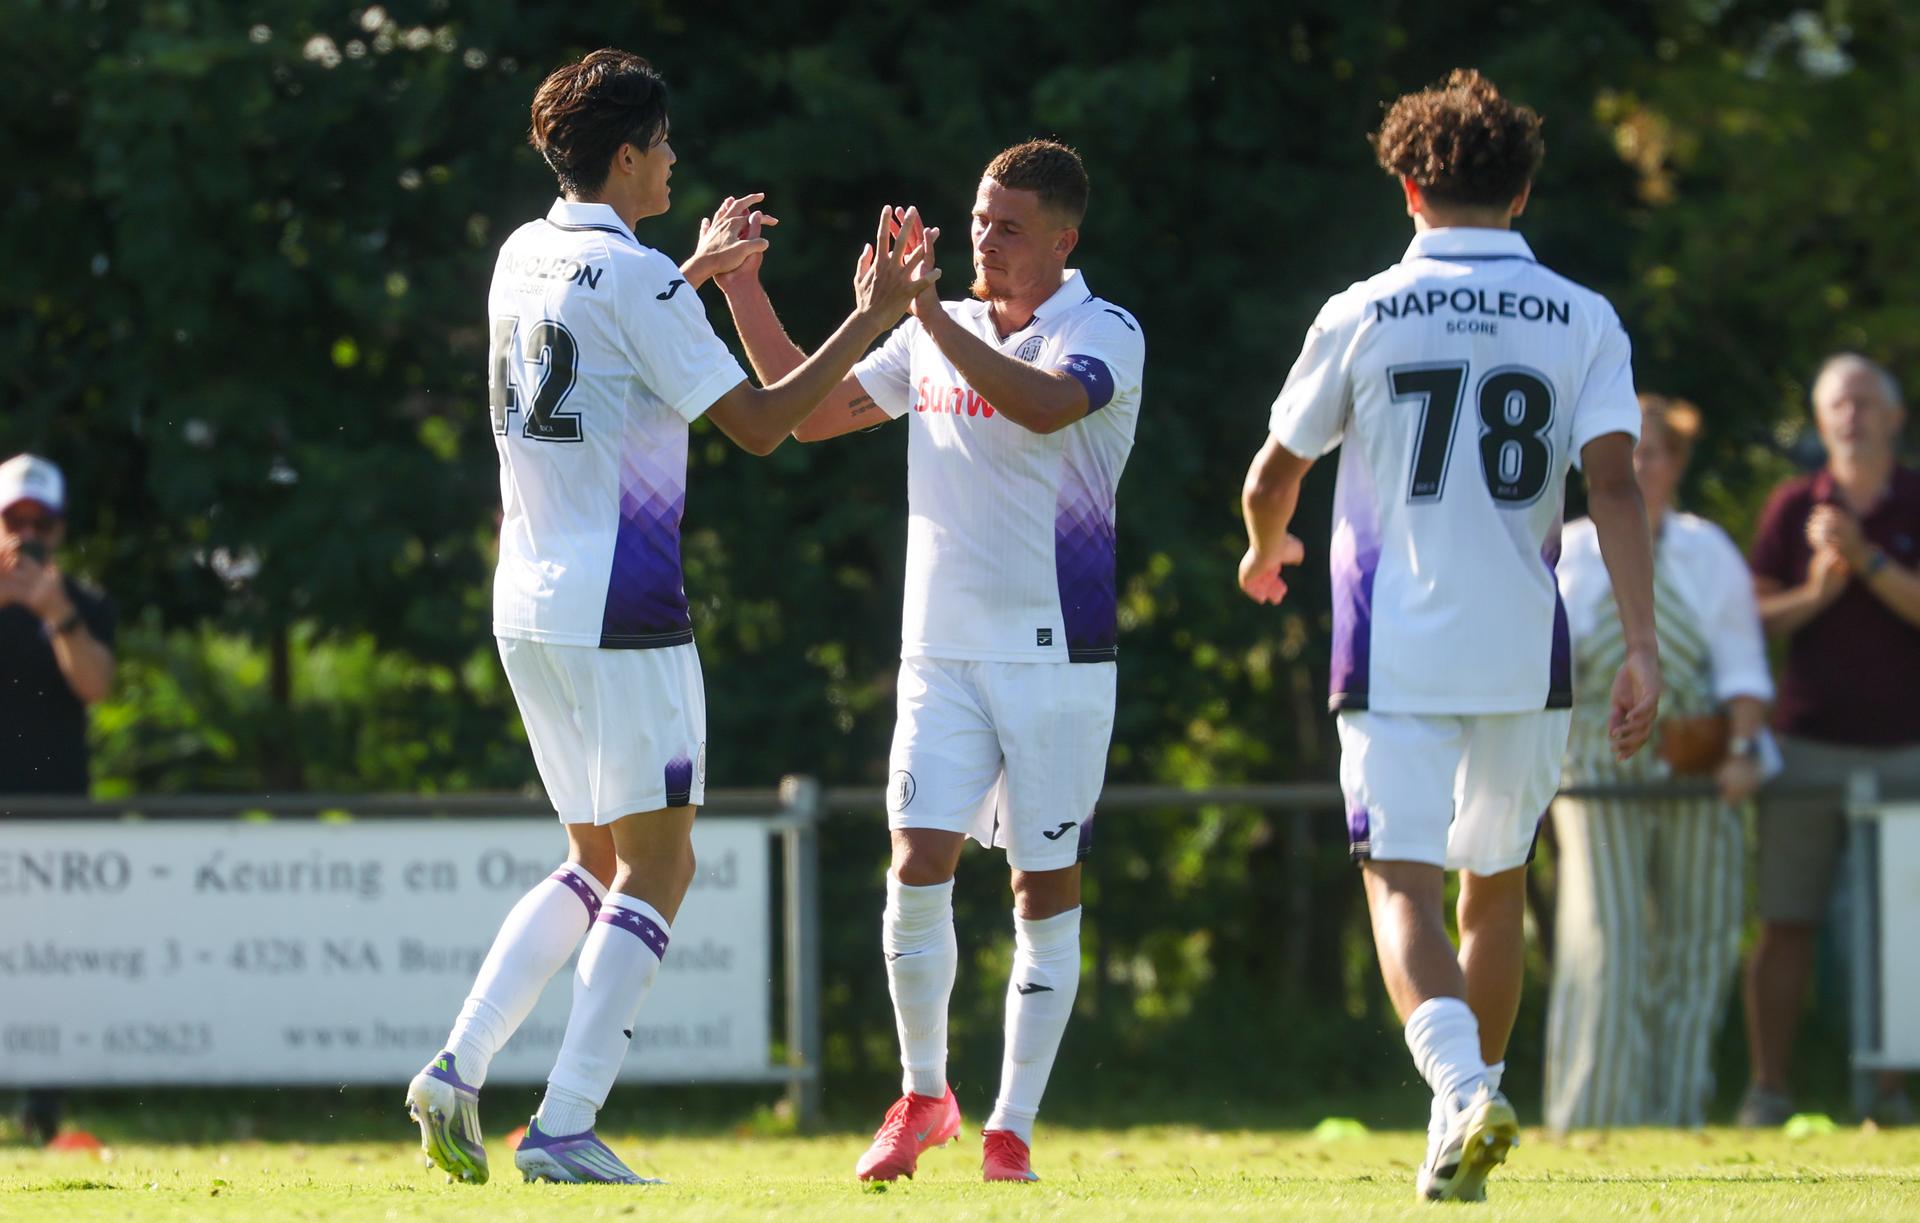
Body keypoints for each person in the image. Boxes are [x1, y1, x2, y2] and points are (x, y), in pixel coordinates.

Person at [404, 48, 934, 1186]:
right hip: (622, 603)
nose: (677, 161)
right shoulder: (639, 279)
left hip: (528, 602)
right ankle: (562, 1122)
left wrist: (691, 270)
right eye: (665, 146)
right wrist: (869, 316)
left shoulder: (522, 253)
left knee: (593, 857)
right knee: (663, 862)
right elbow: (761, 424)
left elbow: (606, 337)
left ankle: (458, 1063)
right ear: (631, 155)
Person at [1236, 69, 1660, 1201]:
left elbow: (1276, 471)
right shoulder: (1583, 314)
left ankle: (1465, 1091)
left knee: (1401, 887)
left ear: (1410, 187)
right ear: (1521, 194)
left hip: (1398, 649)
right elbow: (1614, 489)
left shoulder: (1363, 308)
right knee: (1498, 888)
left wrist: (1263, 545)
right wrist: (1645, 645)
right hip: (1528, 650)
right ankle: (1457, 1121)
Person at [717, 139, 1144, 1184]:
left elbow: (1044, 406)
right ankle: (923, 1094)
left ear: (1062, 239)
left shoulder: (1103, 329)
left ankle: (1012, 1125)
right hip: (938, 652)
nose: (986, 241)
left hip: (1057, 656)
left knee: (1044, 888)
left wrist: (929, 317)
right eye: (980, 221)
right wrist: (743, 286)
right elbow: (803, 410)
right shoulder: (930, 335)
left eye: (1008, 228)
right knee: (915, 865)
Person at [1543, 395, 1773, 1132]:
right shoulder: (1567, 548)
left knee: (1700, 944)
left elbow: (1740, 665)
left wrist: (1739, 751)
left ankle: (1675, 1116)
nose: (1642, 464)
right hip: (1595, 768)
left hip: (1695, 767)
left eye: (1656, 450)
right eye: (1627, 449)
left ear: (1676, 461)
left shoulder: (1708, 550)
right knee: (1605, 940)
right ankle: (1594, 1119)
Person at [1741, 353, 1920, 1128]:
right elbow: (1749, 620)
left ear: (1893, 418)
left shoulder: (1916, 499)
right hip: (1806, 747)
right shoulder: (1791, 508)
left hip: (1906, 749)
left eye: (1863, 402)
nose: (1850, 415)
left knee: (1902, 927)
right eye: (1835, 405)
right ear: (1818, 423)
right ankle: (1769, 1089)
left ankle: (1887, 1095)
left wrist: (1866, 557)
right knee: (1786, 921)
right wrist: (1819, 587)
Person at [0, 453, 116, 1145]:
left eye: (40, 522)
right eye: (14, 520)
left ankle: (42, 1109)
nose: (27, 535)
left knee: (50, 963)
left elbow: (96, 685)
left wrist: (55, 612)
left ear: (61, 529)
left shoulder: (84, 603)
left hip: (55, 818)